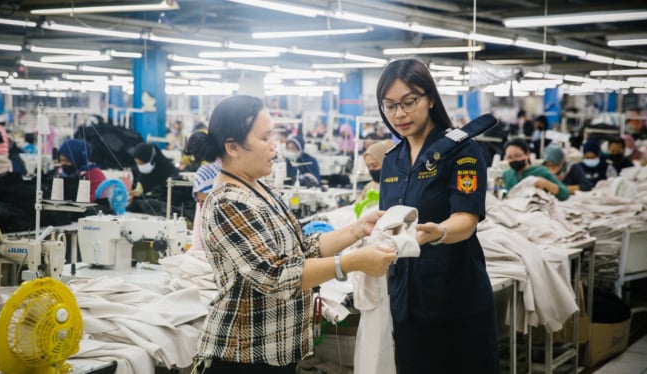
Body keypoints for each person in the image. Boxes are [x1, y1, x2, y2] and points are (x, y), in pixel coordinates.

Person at [191, 95, 397, 374]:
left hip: (278, 353)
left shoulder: (261, 189)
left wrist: (357, 229)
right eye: (265, 138)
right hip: (243, 357)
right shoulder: (227, 203)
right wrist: (353, 262)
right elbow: (276, 275)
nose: (274, 144)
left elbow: (302, 249)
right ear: (233, 147)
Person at [375, 57, 498, 374]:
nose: (399, 114)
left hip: (455, 299)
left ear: (429, 98)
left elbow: (467, 220)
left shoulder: (461, 152)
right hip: (407, 300)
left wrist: (438, 232)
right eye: (389, 106)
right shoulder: (392, 160)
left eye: (408, 102)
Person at [502, 138, 570, 201]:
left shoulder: (541, 171)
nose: (514, 160)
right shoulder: (506, 175)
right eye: (509, 157)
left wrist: (547, 184)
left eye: (517, 156)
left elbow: (564, 194)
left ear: (527, 154)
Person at [189, 161, 221, 251]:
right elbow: (197, 245)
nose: (202, 206)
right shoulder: (200, 206)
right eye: (199, 201)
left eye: (206, 201)